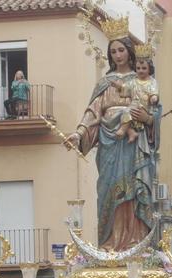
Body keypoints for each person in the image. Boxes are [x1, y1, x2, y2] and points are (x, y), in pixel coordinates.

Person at [64, 36, 156, 251]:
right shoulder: (104, 83)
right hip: (109, 143)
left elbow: (154, 111)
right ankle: (109, 242)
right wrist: (79, 134)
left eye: (121, 50)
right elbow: (93, 112)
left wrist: (147, 119)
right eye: (113, 51)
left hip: (134, 145)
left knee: (133, 189)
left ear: (130, 52)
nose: (117, 55)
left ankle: (135, 242)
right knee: (107, 190)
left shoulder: (141, 80)